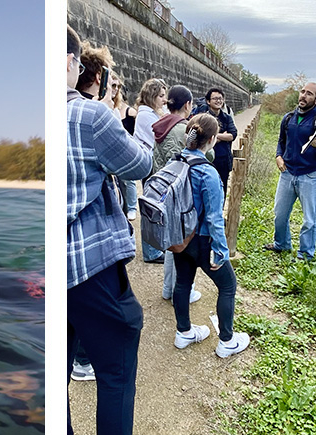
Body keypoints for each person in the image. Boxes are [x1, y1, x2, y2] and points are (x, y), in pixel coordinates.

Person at [67, 25, 150, 435]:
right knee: (116, 373)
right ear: (71, 63)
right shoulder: (90, 114)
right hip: (88, 265)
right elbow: (139, 166)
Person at [172, 114, 250, 358]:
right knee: (228, 285)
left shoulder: (176, 161)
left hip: (180, 237)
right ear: (213, 139)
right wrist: (222, 250)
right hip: (203, 240)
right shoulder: (208, 172)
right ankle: (226, 340)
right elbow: (215, 218)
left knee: (183, 282)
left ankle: (183, 331)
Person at [264, 82, 316, 260]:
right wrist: (278, 156)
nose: (304, 96)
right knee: (279, 214)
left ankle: (305, 254)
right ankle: (282, 244)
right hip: (287, 174)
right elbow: (281, 142)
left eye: (309, 94)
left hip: (310, 176)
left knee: (309, 220)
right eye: (302, 92)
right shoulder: (288, 118)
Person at [151, 85, 202, 304]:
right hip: (180, 195)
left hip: (161, 190)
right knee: (182, 244)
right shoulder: (185, 129)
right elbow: (202, 156)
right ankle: (179, 291)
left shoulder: (160, 126)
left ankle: (167, 288)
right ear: (188, 105)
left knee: (170, 242)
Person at [135, 78, 168, 263]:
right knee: (151, 209)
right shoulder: (146, 114)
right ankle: (150, 252)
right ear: (151, 96)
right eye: (161, 96)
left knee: (155, 207)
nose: (164, 100)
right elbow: (160, 136)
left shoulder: (152, 112)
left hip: (153, 164)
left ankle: (154, 249)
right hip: (150, 165)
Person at [192, 87, 237, 199]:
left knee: (222, 189)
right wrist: (223, 136)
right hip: (206, 159)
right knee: (205, 189)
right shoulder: (203, 118)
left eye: (220, 98)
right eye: (215, 98)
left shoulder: (226, 118)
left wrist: (214, 136)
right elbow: (200, 136)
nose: (218, 101)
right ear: (208, 101)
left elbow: (233, 135)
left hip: (223, 160)